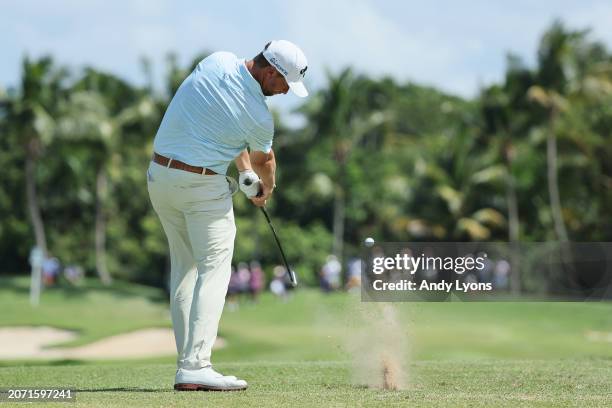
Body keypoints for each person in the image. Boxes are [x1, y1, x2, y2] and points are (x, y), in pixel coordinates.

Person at [147, 40, 308, 391]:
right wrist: (266, 189)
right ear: (271, 73)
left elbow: (218, 125)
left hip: (160, 178)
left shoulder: (216, 61)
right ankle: (196, 365)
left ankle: (187, 365)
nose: (283, 92)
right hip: (199, 187)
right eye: (284, 84)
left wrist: (243, 171)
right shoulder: (260, 116)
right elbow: (267, 161)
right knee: (215, 267)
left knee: (185, 269)